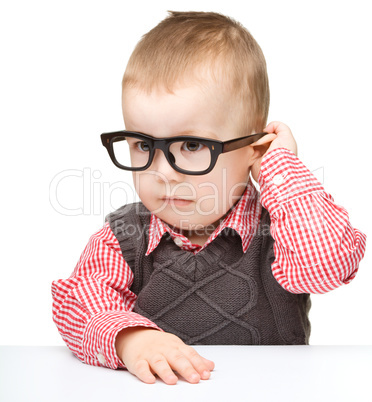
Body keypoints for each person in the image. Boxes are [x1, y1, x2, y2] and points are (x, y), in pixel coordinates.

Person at [51, 11, 366, 385]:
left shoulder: (282, 230)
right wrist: (132, 340)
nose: (163, 172)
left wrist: (280, 169)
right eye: (143, 144)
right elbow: (78, 300)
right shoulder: (124, 238)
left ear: (254, 148)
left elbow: (328, 265)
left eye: (193, 144)